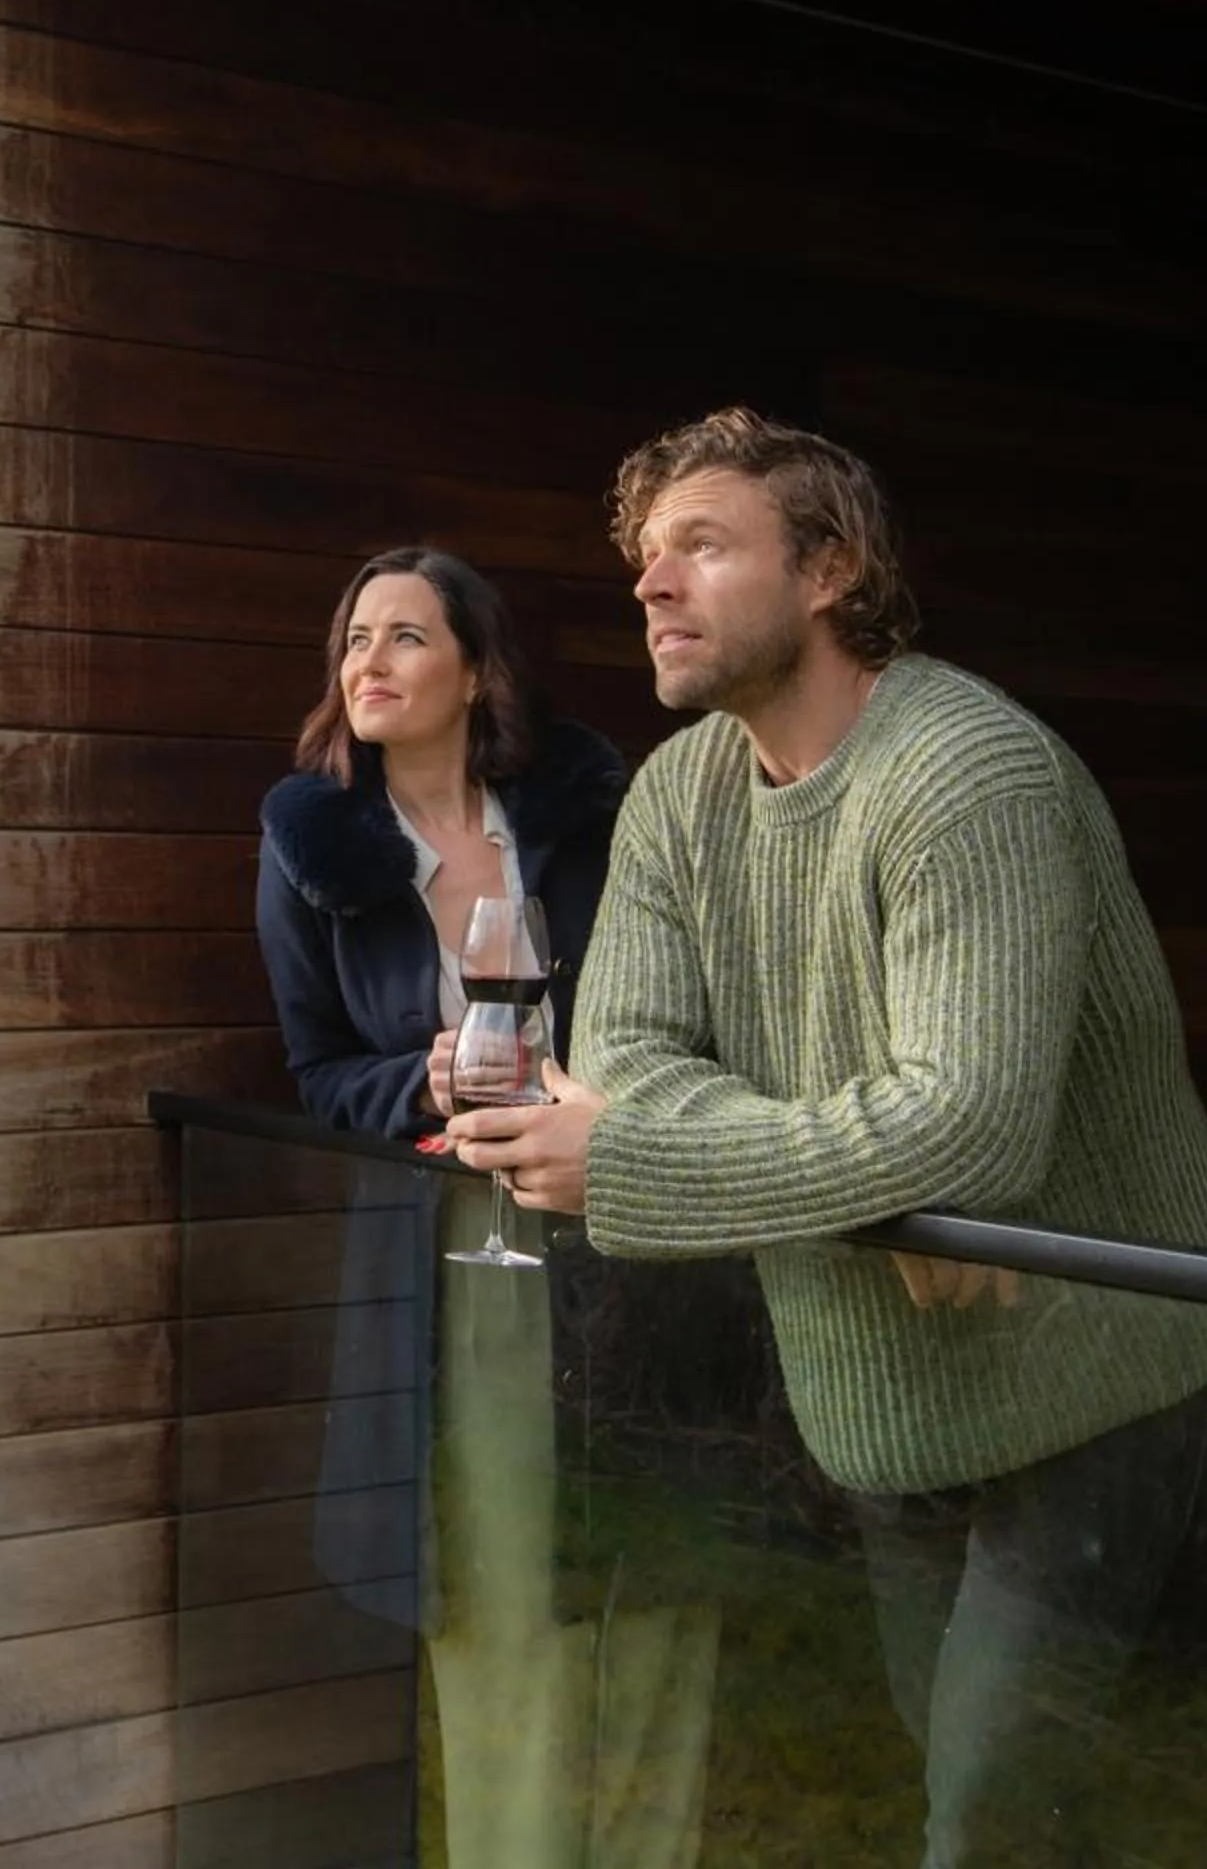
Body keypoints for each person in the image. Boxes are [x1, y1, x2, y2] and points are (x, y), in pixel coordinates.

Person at [446, 409, 1207, 1866]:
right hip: (878, 1387)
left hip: (1094, 1371)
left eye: (701, 544)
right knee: (949, 1766)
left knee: (989, 1822)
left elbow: (970, 1124)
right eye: (643, 558)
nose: (651, 584)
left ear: (829, 568)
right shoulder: (684, 795)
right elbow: (624, 1057)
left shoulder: (967, 776)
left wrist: (644, 1159)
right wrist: (874, 1195)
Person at [254, 545, 716, 1869]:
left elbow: (676, 1000)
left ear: (473, 668)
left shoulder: (584, 820)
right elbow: (318, 1074)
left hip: (629, 1225)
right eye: (354, 640)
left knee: (664, 1585)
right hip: (463, 1251)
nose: (370, 663)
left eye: (404, 636)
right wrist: (426, 1073)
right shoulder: (311, 845)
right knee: (501, 1594)